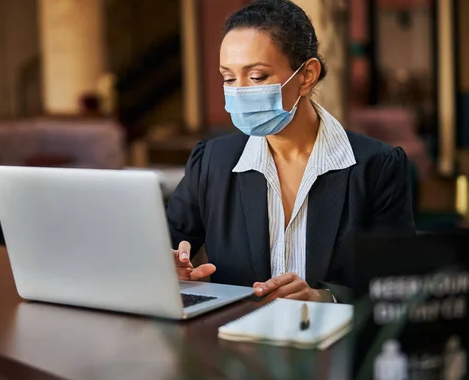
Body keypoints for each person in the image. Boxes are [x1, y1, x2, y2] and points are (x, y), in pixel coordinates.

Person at [166, 0, 415, 304]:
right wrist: (171, 270)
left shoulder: (376, 167)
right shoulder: (211, 162)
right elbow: (167, 246)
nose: (240, 91)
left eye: (256, 76)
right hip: (235, 345)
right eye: (229, 79)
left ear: (307, 75)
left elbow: (396, 285)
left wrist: (324, 298)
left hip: (334, 346)